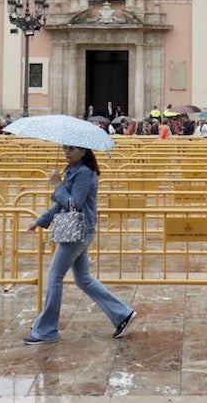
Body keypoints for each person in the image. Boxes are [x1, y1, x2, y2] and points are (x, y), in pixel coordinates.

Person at [23, 143, 136, 345]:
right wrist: (41, 220)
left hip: (78, 232)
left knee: (55, 277)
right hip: (77, 231)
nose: (67, 152)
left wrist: (58, 185)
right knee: (83, 279)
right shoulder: (74, 171)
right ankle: (122, 314)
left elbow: (74, 203)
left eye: (72, 149)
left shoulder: (84, 173)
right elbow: (60, 204)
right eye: (65, 148)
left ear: (84, 151)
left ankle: (46, 329)